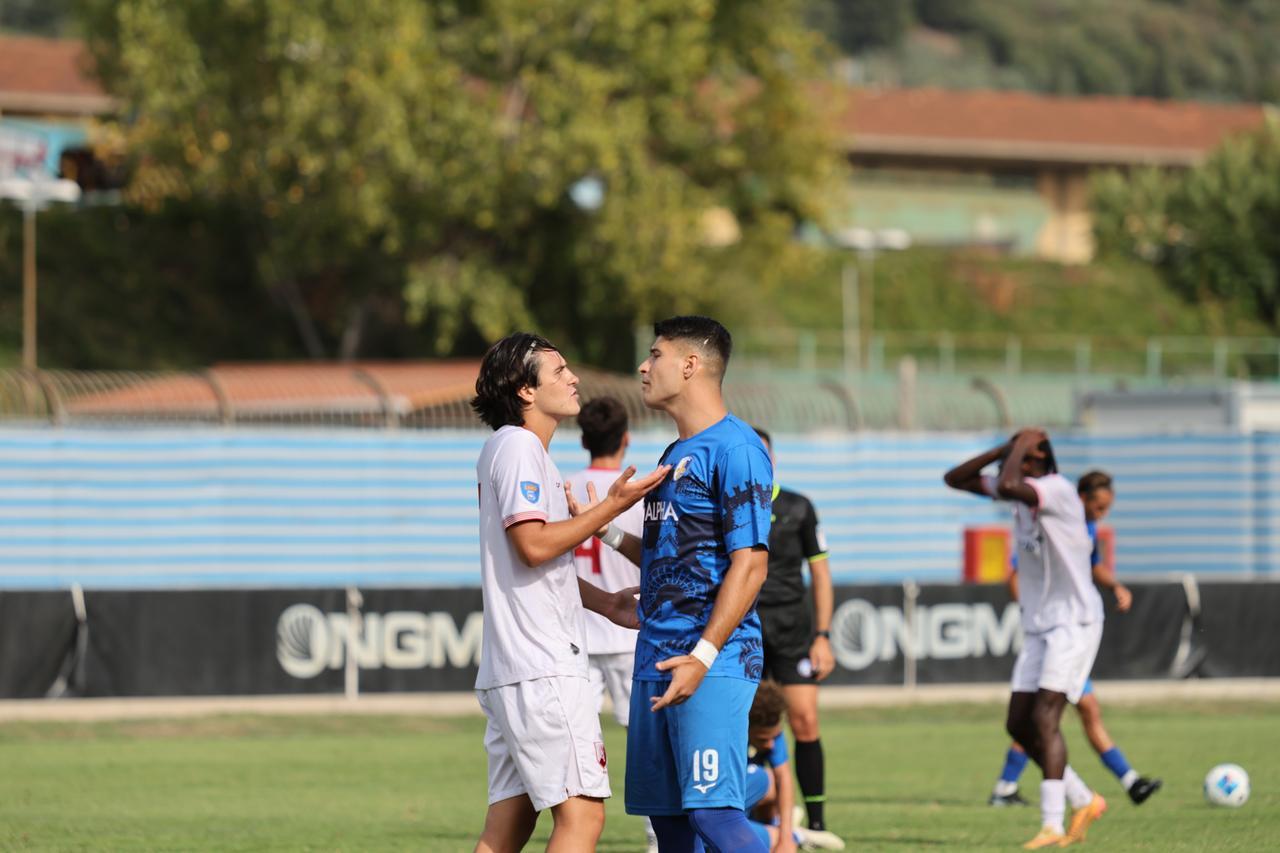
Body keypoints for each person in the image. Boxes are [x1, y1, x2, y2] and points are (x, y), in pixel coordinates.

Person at [569, 315, 773, 852]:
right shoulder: (673, 455)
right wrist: (605, 530)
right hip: (653, 656)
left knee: (714, 815)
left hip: (710, 662)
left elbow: (750, 564)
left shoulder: (737, 450)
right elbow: (671, 557)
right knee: (670, 824)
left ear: (690, 365)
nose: (643, 366)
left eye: (655, 355)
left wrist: (703, 656)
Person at [471, 332, 668, 853]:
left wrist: (605, 603)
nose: (573, 378)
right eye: (559, 371)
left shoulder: (516, 451)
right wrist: (612, 505)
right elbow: (534, 546)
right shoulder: (517, 447)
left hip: (519, 667)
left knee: (506, 830)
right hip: (542, 668)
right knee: (582, 819)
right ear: (525, 390)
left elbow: (537, 560)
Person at [944, 429, 1108, 849]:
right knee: (1017, 721)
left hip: (1074, 623)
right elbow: (954, 479)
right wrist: (1003, 448)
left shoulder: (1057, 490)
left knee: (1046, 716)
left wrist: (1019, 449)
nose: (1007, 467)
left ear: (1038, 461)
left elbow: (1009, 483)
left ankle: (1052, 824)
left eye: (1018, 458)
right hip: (1040, 626)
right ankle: (1084, 798)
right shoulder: (1018, 492)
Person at [990, 471, 1162, 808]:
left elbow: (1093, 565)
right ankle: (1018, 790)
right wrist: (1030, 610)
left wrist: (1114, 586)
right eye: (1099, 506)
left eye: (1106, 508)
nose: (1102, 514)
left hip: (1071, 636)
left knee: (1067, 713)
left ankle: (1126, 783)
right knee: (1041, 717)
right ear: (1079, 498)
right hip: (1056, 632)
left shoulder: (1088, 529)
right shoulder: (1049, 523)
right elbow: (1016, 571)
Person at [566, 396, 655, 850]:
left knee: (573, 748)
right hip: (627, 632)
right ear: (626, 439)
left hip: (576, 636)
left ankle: (572, 831)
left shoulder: (565, 487)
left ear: (582, 438)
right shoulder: (638, 492)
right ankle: (658, 838)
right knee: (646, 746)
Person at [751, 427, 838, 838]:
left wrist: (822, 634)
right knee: (751, 726)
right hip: (745, 627)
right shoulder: (729, 506)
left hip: (792, 632)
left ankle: (816, 822)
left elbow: (820, 573)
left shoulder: (799, 507)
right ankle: (763, 815)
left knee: (804, 720)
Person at [743, 680, 846, 852]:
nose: (770, 745)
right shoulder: (727, 732)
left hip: (737, 802)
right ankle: (797, 836)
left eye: (774, 737)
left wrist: (785, 839)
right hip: (717, 806)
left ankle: (781, 827)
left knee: (767, 778)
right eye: (762, 739)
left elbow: (783, 777)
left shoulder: (770, 724)